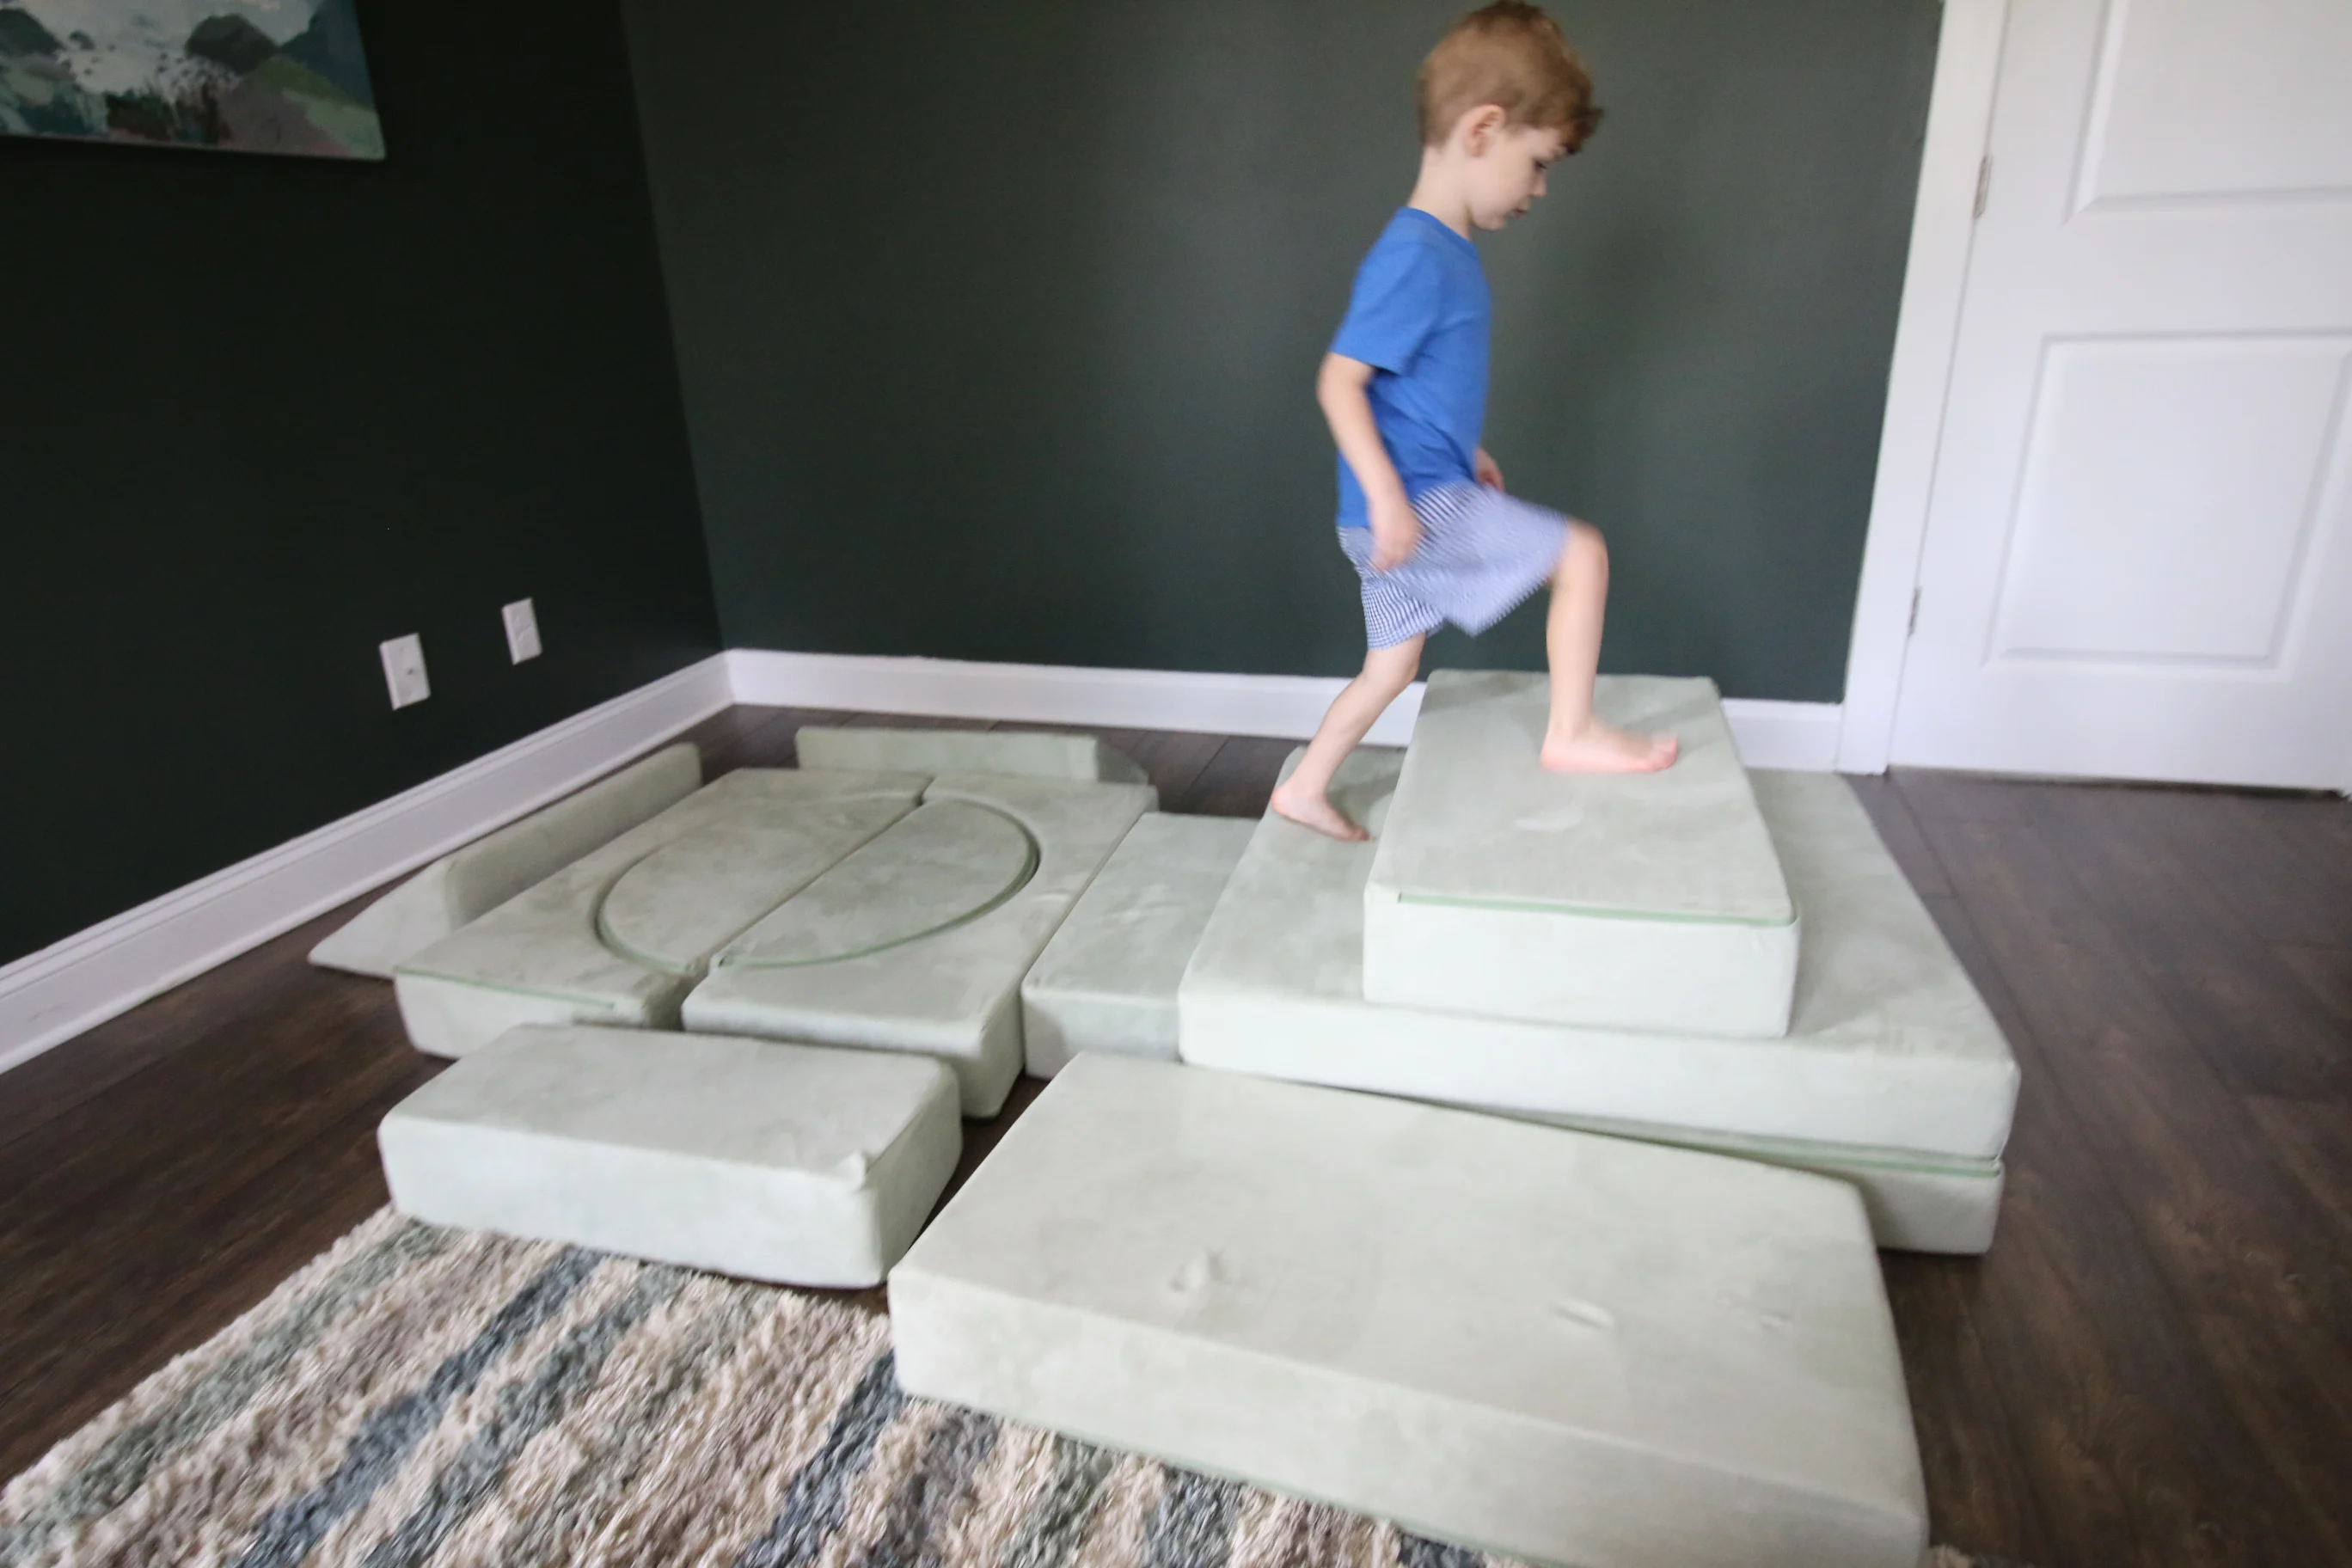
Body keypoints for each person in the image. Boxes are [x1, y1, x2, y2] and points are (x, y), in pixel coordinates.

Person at [1269, 0, 1676, 843]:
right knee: (1583, 555)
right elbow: (1340, 382)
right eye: (1539, 162)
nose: (1539, 188)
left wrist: (1469, 449)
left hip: (1406, 500)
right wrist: (1391, 496)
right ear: (1484, 130)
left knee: (1392, 665)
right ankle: (1572, 734)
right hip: (1408, 507)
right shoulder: (1418, 254)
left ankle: (1303, 787)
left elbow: (1407, 392)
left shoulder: (1439, 252)